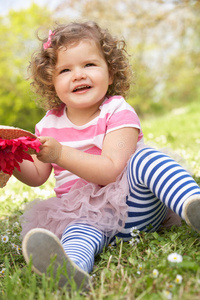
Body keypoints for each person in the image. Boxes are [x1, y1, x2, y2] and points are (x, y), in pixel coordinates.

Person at [13, 21, 200, 291]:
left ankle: (190, 203)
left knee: (146, 159)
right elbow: (37, 176)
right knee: (77, 231)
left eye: (89, 65)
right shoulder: (47, 125)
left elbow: (112, 170)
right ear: (52, 83)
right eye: (65, 70)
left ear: (110, 74)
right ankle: (71, 268)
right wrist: (11, 158)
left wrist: (61, 153)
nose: (78, 75)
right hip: (89, 219)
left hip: (134, 207)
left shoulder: (117, 111)